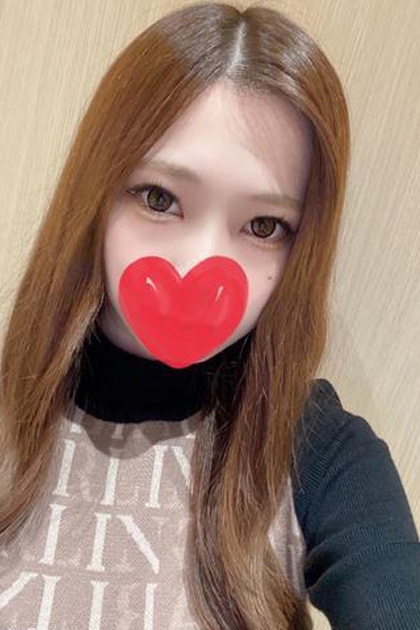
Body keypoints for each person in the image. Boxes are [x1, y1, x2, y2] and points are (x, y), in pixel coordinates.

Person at [0, 3, 419, 629]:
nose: (200, 265)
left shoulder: (319, 450)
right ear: (95, 195)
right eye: (159, 197)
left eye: (263, 225)